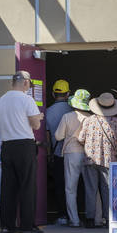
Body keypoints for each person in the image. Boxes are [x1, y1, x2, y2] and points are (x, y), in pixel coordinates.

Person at [0, 71, 44, 233]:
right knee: (27, 185)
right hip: (24, 145)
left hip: (7, 145)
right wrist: (39, 117)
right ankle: (27, 225)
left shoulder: (1, 100)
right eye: (29, 83)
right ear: (25, 83)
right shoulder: (27, 99)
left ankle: (7, 225)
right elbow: (35, 125)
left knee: (8, 187)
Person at [78, 93, 117, 228]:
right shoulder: (116, 122)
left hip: (89, 159)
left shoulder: (88, 120)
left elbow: (81, 138)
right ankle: (108, 219)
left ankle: (90, 219)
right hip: (108, 161)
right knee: (108, 190)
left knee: (90, 189)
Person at [54, 89, 92, 227]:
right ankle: (94, 217)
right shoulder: (91, 118)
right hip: (89, 154)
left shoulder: (67, 117)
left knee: (70, 188)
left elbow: (58, 136)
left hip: (71, 154)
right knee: (91, 187)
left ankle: (74, 220)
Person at [44, 79, 72, 223]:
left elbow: (48, 137)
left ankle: (62, 215)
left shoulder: (47, 112)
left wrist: (48, 155)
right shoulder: (74, 111)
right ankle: (75, 215)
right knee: (75, 185)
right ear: (68, 94)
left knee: (60, 185)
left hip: (57, 154)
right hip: (74, 153)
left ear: (53, 94)